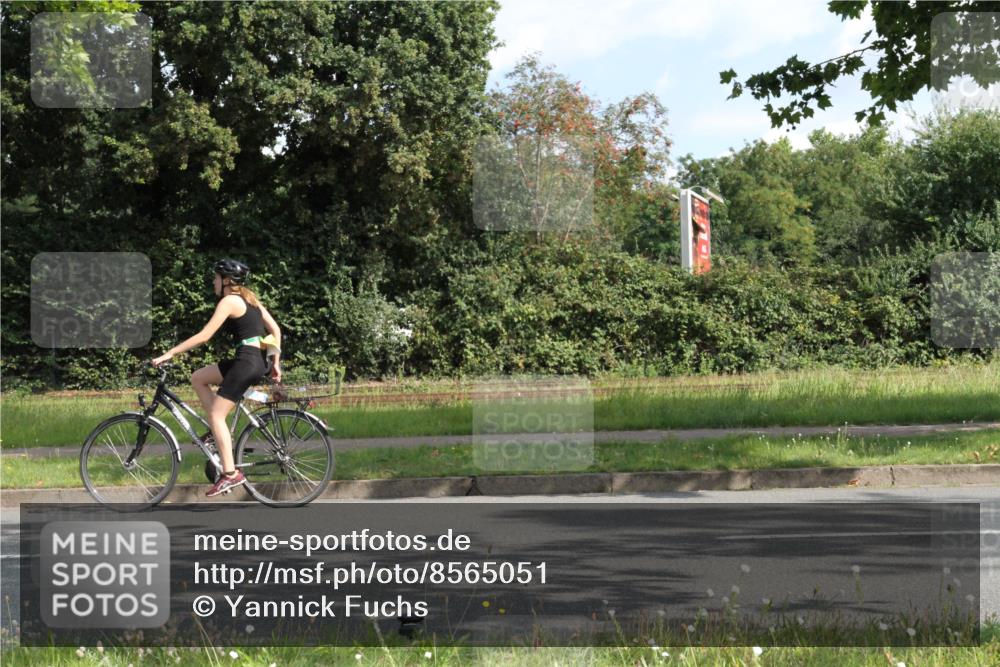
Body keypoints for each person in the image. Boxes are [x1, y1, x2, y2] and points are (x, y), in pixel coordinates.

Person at [152, 259, 282, 496]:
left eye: (216, 277)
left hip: (247, 362)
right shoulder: (251, 299)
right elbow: (275, 330)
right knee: (199, 377)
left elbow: (205, 336)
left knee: (216, 413)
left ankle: (231, 474)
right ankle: (217, 431)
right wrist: (275, 362)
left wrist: (171, 352)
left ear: (227, 281)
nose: (213, 281)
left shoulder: (230, 301)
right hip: (253, 358)